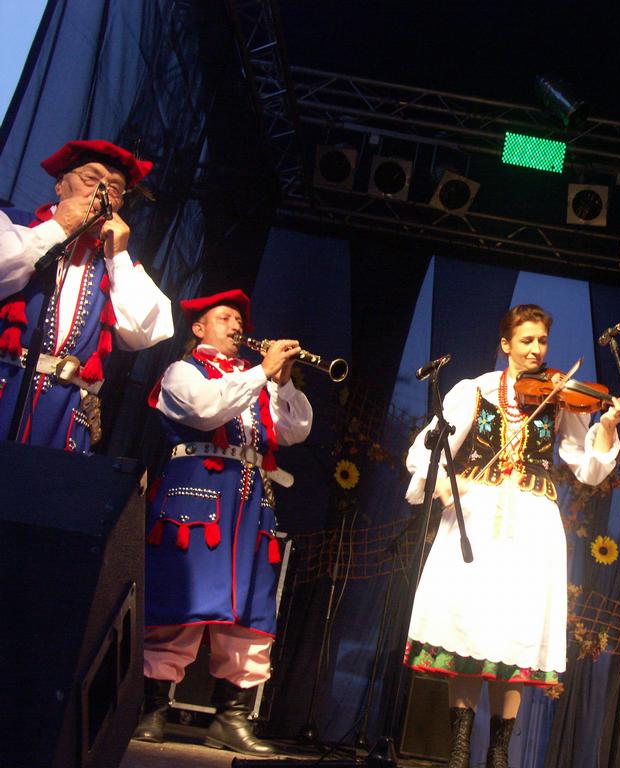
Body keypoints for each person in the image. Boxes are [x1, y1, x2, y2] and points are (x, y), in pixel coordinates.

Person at [403, 304, 620, 768]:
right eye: (526, 341)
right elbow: (427, 449)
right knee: (468, 626)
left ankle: (499, 752)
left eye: (542, 341)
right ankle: (459, 749)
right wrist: (443, 481)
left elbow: (586, 469)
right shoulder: (476, 390)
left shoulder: (561, 398)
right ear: (506, 344)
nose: (536, 350)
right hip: (476, 516)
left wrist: (606, 427)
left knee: (514, 629)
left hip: (532, 523)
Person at [132, 289, 312, 756]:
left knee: (248, 609)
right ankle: (151, 707)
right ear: (199, 328)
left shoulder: (255, 380)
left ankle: (230, 718)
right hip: (198, 495)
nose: (236, 326)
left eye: (239, 320)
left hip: (249, 498)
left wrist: (284, 383)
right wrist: (262, 373)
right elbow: (205, 409)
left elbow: (295, 430)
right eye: (225, 318)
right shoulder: (184, 371)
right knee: (181, 597)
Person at [0, 139, 173, 450]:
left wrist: (118, 256)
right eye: (91, 178)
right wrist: (59, 227)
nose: (102, 192)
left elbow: (146, 333)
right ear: (60, 185)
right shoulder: (13, 223)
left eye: (115, 189)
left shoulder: (117, 263)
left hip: (64, 413)